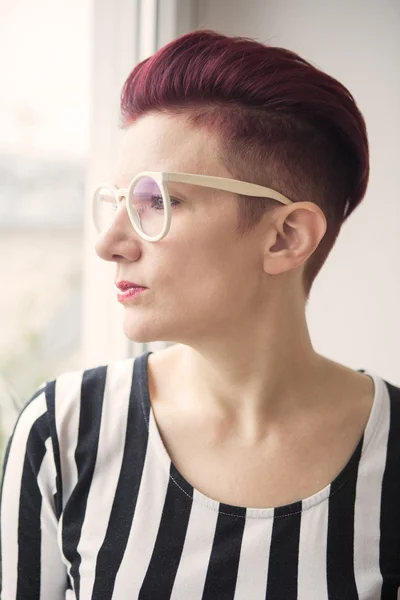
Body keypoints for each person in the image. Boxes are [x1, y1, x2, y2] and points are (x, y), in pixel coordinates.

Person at [1, 29, 399, 600]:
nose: (109, 243)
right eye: (116, 202)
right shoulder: (64, 434)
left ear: (286, 237)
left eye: (156, 202)